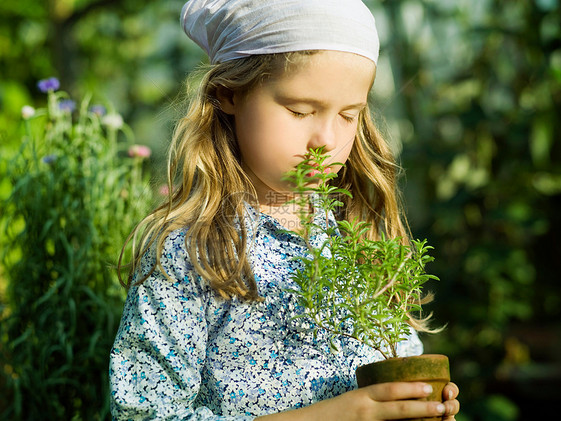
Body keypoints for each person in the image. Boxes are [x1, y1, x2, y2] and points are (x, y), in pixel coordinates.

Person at [109, 0, 461, 419]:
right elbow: (144, 413)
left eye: (349, 116)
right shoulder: (192, 250)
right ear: (229, 94)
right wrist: (341, 415)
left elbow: (396, 361)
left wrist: (417, 401)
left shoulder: (357, 233)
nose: (325, 140)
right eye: (299, 110)